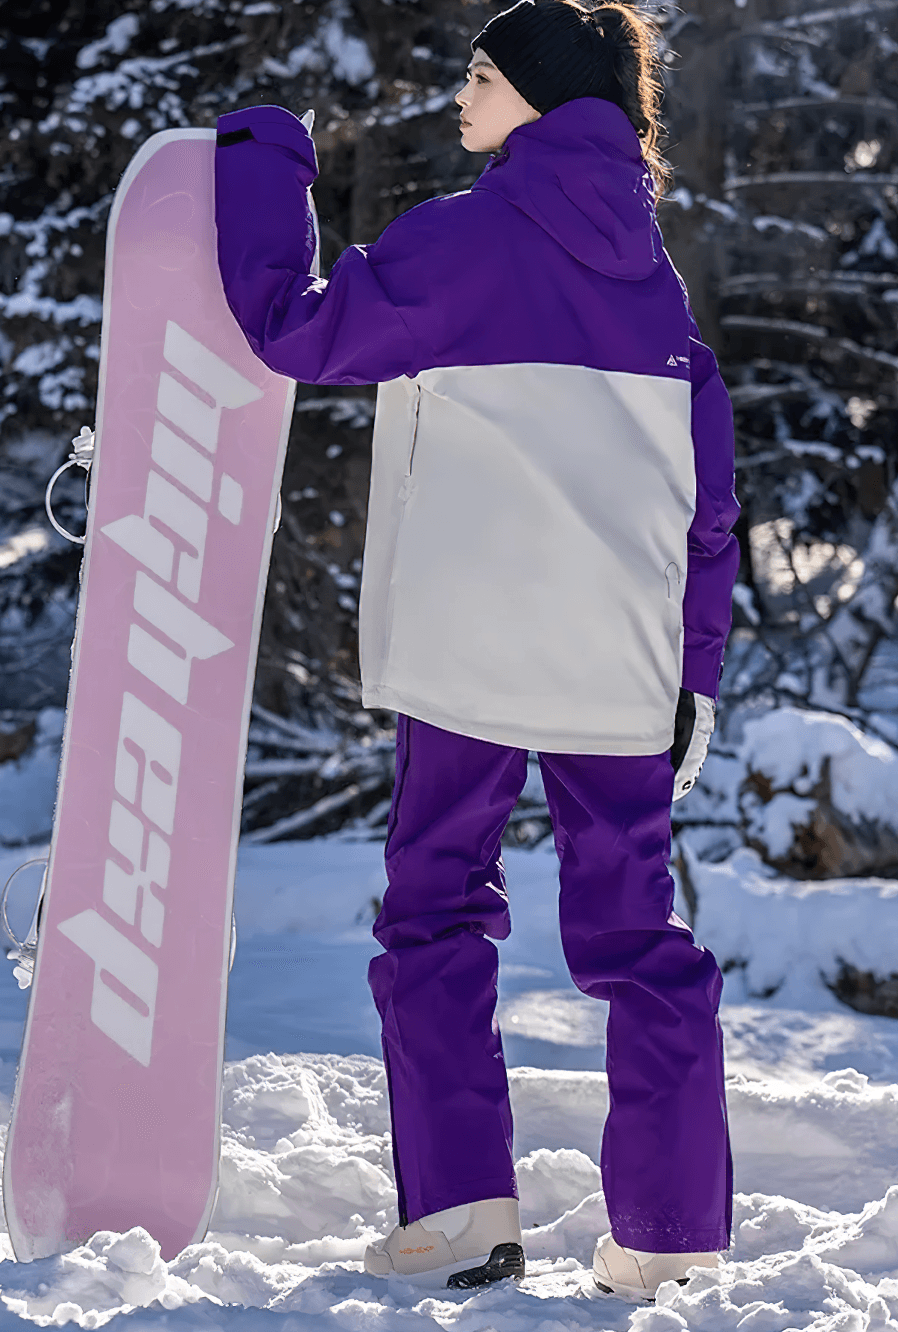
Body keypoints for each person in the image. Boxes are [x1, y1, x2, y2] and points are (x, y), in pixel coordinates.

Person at [213, 0, 739, 1301]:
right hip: (618, 660)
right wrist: (695, 676)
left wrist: (263, 153)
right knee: (638, 937)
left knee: (438, 908)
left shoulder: (470, 239)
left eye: (481, 75)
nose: (462, 96)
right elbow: (708, 500)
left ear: (540, 102)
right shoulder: (654, 275)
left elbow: (291, 328)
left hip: (473, 650)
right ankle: (668, 1231)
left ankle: (459, 1215)